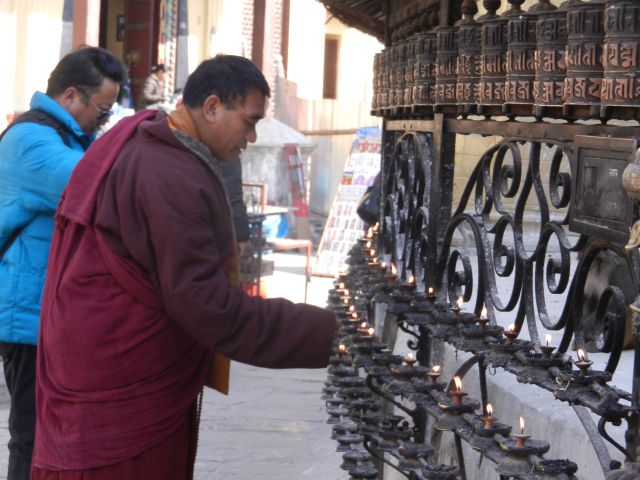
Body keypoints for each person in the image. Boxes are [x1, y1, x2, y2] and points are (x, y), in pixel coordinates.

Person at [31, 54, 337, 479]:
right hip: (119, 381)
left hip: (99, 361)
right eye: (248, 121)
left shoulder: (157, 146)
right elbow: (205, 304)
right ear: (211, 107)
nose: (250, 137)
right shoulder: (166, 171)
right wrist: (331, 335)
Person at [0, 46, 126, 479]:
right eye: (103, 111)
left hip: (49, 314)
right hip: (28, 317)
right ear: (72, 96)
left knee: (53, 435)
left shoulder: (65, 137)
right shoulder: (31, 139)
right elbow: (96, 182)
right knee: (31, 435)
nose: (103, 120)